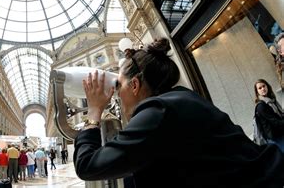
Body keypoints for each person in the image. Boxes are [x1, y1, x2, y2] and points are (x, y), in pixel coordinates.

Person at [74, 38, 284, 188]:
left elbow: (88, 166)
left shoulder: (157, 112)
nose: (117, 94)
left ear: (135, 84)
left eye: (119, 86)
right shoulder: (180, 98)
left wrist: (94, 113)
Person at [254, 79, 284, 152]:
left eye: (264, 86)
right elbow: (274, 121)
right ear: (257, 92)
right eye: (259, 88)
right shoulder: (261, 106)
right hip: (275, 137)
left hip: (280, 133)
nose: (263, 89)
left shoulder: (271, 101)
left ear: (267, 86)